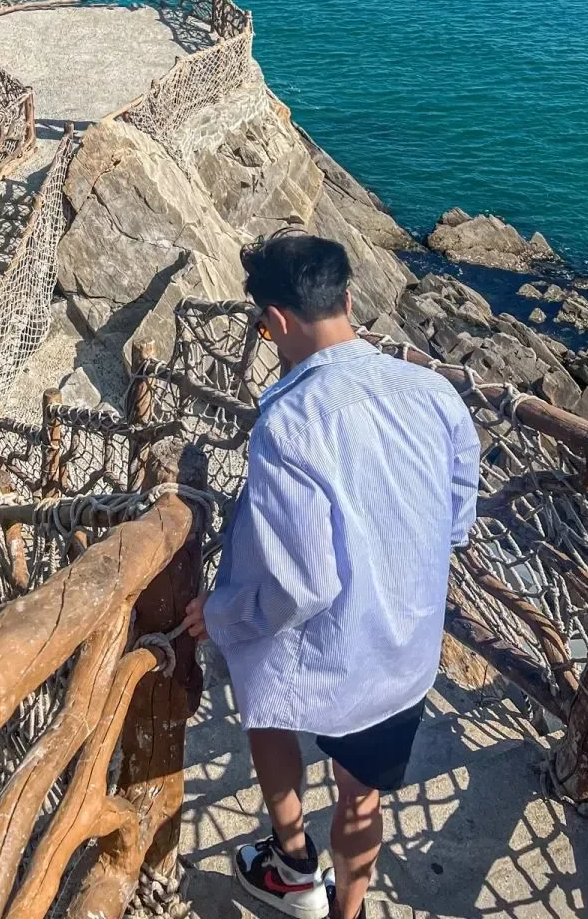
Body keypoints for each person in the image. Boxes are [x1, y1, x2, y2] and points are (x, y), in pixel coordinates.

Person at [184, 231, 480, 919]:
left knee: (257, 671)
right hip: (404, 648)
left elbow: (302, 585)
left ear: (277, 321)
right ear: (347, 297)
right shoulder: (433, 390)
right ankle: (345, 910)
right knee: (361, 794)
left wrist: (223, 613)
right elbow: (458, 516)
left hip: (333, 643)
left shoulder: (287, 422)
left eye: (261, 326)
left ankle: (291, 864)